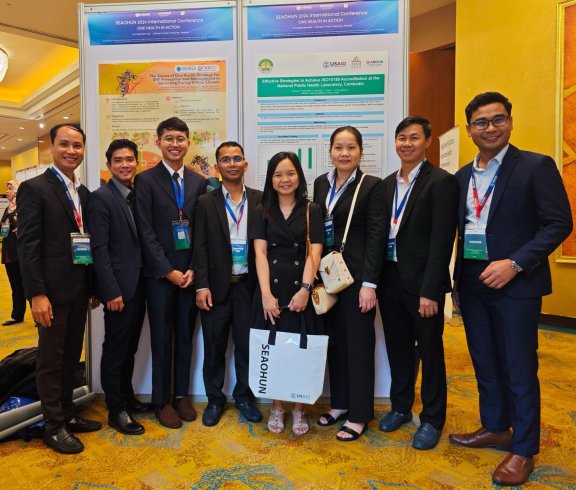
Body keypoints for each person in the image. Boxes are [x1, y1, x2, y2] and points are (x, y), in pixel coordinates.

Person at [449, 92, 573, 486]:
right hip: (472, 283)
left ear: (510, 122)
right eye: (481, 122)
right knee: (484, 361)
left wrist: (516, 263)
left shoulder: (535, 166)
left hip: (516, 284)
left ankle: (523, 448)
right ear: (469, 130)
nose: (490, 128)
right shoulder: (461, 177)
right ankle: (495, 426)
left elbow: (558, 224)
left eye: (497, 119)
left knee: (519, 366)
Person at [17, 123, 101, 454]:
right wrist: (37, 294)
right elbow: (28, 247)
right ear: (52, 147)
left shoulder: (82, 192)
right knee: (51, 359)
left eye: (77, 146)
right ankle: (53, 425)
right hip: (49, 293)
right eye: (64, 144)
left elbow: (86, 243)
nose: (71, 151)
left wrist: (91, 285)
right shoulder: (34, 188)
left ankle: (68, 413)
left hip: (78, 289)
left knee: (70, 357)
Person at [377, 116, 458, 450]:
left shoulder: (440, 182)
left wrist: (431, 291)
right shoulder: (385, 185)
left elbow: (442, 241)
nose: (406, 144)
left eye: (413, 138)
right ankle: (399, 407)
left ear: (427, 141)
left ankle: (432, 419)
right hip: (390, 279)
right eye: (401, 138)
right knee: (397, 349)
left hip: (423, 284)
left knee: (431, 352)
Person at [313, 126, 386, 441]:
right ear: (330, 150)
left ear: (360, 152)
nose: (344, 153)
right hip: (328, 278)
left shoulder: (372, 187)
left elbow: (376, 237)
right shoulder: (320, 184)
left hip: (357, 280)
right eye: (339, 147)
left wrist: (370, 284)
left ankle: (359, 414)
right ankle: (340, 403)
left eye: (351, 147)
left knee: (358, 346)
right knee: (335, 343)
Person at [134, 117, 206, 429]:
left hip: (189, 277)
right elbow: (145, 232)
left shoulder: (198, 181)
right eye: (169, 138)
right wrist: (168, 271)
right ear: (158, 142)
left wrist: (191, 269)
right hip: (160, 277)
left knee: (186, 339)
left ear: (188, 143)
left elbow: (202, 232)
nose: (175, 144)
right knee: (162, 339)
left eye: (180, 138)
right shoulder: (145, 180)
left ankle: (181, 396)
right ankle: (161, 401)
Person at [252, 151, 323, 435]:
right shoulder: (261, 210)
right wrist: (266, 294)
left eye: (290, 173)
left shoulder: (312, 209)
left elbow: (314, 251)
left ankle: (299, 407)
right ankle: (277, 406)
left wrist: (305, 289)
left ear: (299, 177)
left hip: (300, 290)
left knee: (299, 352)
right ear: (271, 179)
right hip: (272, 289)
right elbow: (259, 252)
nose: (285, 179)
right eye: (278, 174)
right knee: (275, 350)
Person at [193, 141, 263, 427]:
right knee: (214, 346)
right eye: (226, 159)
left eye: (237, 158)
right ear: (218, 166)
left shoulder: (260, 200)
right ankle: (214, 399)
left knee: (247, 346)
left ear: (245, 164)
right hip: (216, 287)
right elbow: (199, 246)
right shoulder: (205, 202)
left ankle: (245, 397)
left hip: (249, 287)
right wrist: (201, 285)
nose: (232, 163)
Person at [89, 139, 151, 436]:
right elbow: (99, 250)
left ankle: (126, 398)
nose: (125, 164)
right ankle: (116, 411)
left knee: (129, 350)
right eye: (118, 160)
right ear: (109, 164)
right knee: (114, 350)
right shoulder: (101, 198)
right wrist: (110, 291)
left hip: (139, 287)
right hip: (118, 290)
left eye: (129, 159)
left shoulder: (136, 195)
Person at [1, 179, 26, 326]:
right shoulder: (8, 208)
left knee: (27, 285)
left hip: (21, 252)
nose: (7, 191)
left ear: (17, 190)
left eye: (10, 188)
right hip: (9, 253)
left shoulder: (23, 206)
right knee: (15, 286)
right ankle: (17, 315)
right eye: (7, 188)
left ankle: (38, 317)